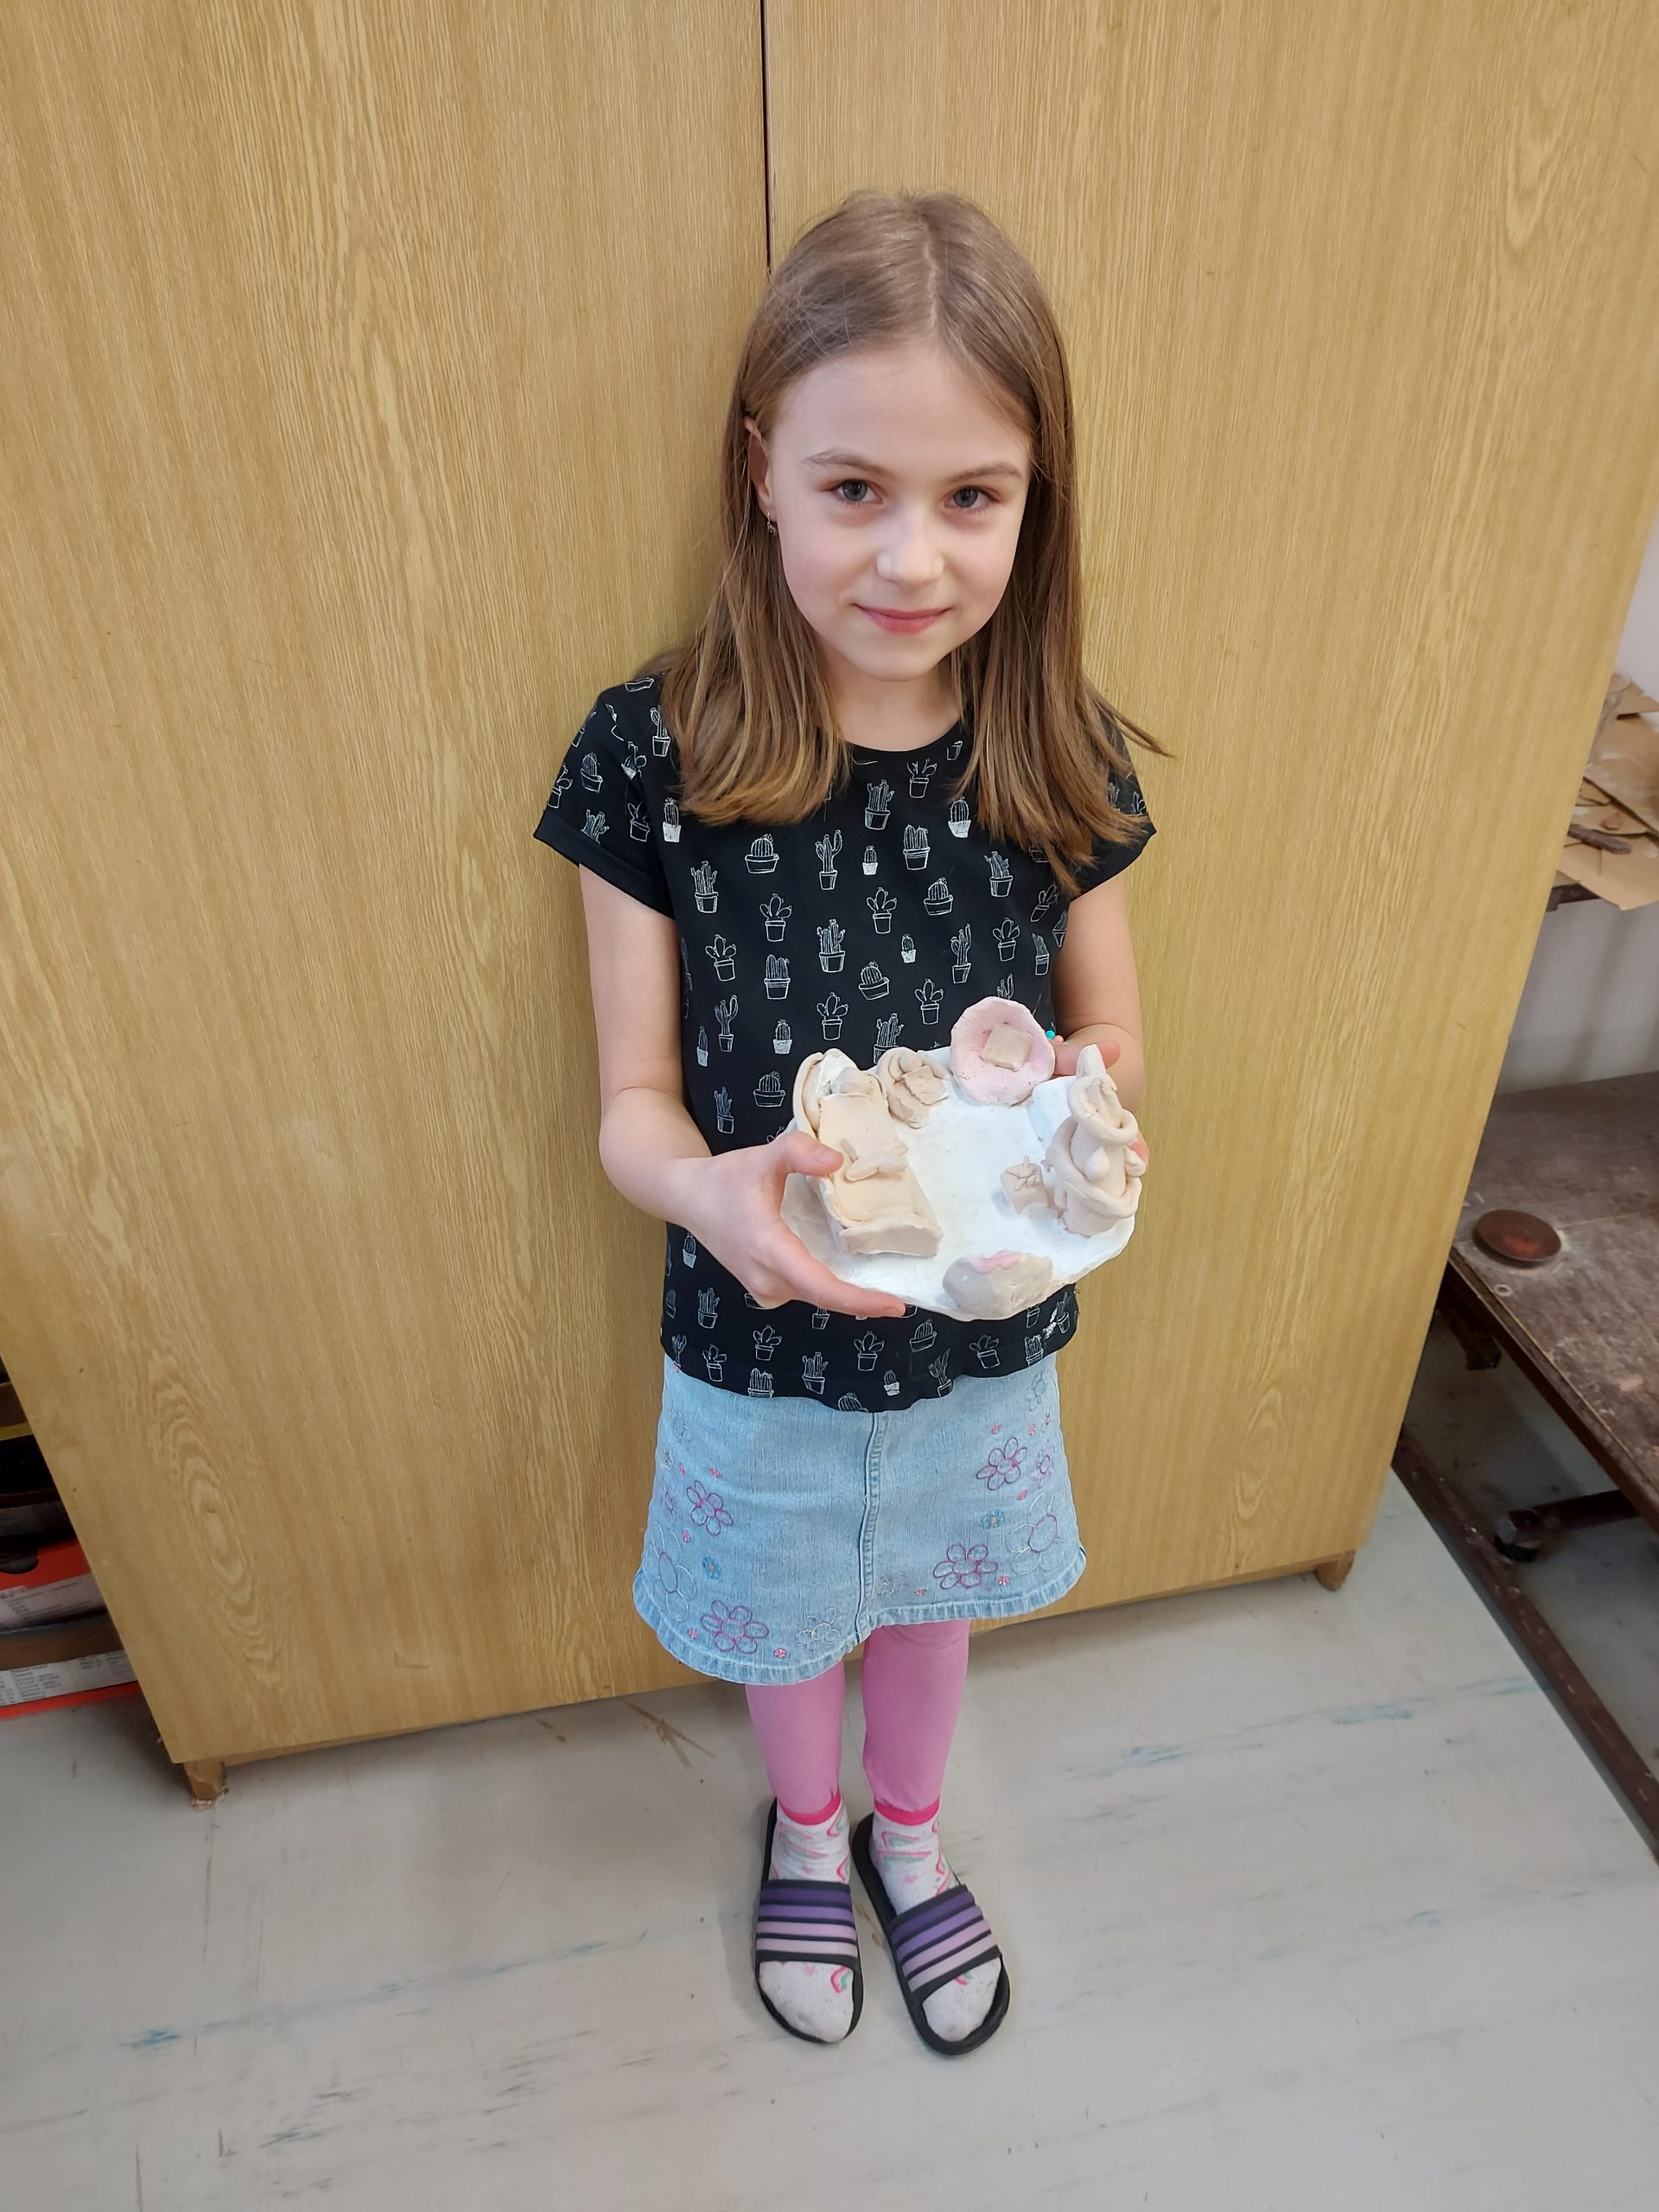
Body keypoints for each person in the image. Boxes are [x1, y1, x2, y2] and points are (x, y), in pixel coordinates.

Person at [532, 189, 1166, 2056]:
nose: (912, 554)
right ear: (761, 472)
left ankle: (910, 1828)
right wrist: (704, 1192)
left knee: (934, 1602)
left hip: (978, 1322)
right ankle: (807, 1830)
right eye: (853, 488)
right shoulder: (656, 751)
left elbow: (1116, 1029)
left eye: (972, 496)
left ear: (1036, 500)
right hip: (759, 1323)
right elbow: (630, 1105)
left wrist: (1085, 1097)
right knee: (792, 1615)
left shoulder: (1056, 746)